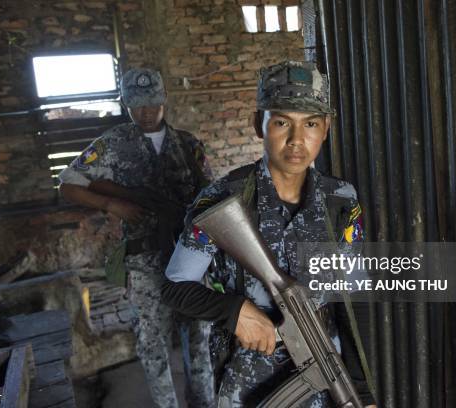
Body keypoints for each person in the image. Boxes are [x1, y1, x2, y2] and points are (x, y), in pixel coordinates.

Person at [161, 61, 377, 407]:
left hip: (325, 362)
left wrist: (362, 391)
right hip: (249, 376)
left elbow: (352, 299)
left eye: (310, 124)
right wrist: (236, 311)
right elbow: (174, 286)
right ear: (258, 125)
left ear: (326, 129)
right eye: (281, 122)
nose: (296, 140)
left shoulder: (341, 200)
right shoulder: (224, 199)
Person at [58, 68, 215, 408]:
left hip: (190, 260)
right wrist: (112, 203)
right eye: (137, 104)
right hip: (144, 264)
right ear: (125, 103)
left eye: (153, 103)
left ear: (165, 100)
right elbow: (68, 182)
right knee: (152, 344)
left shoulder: (188, 145)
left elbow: (209, 199)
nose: (146, 112)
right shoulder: (113, 144)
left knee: (199, 340)